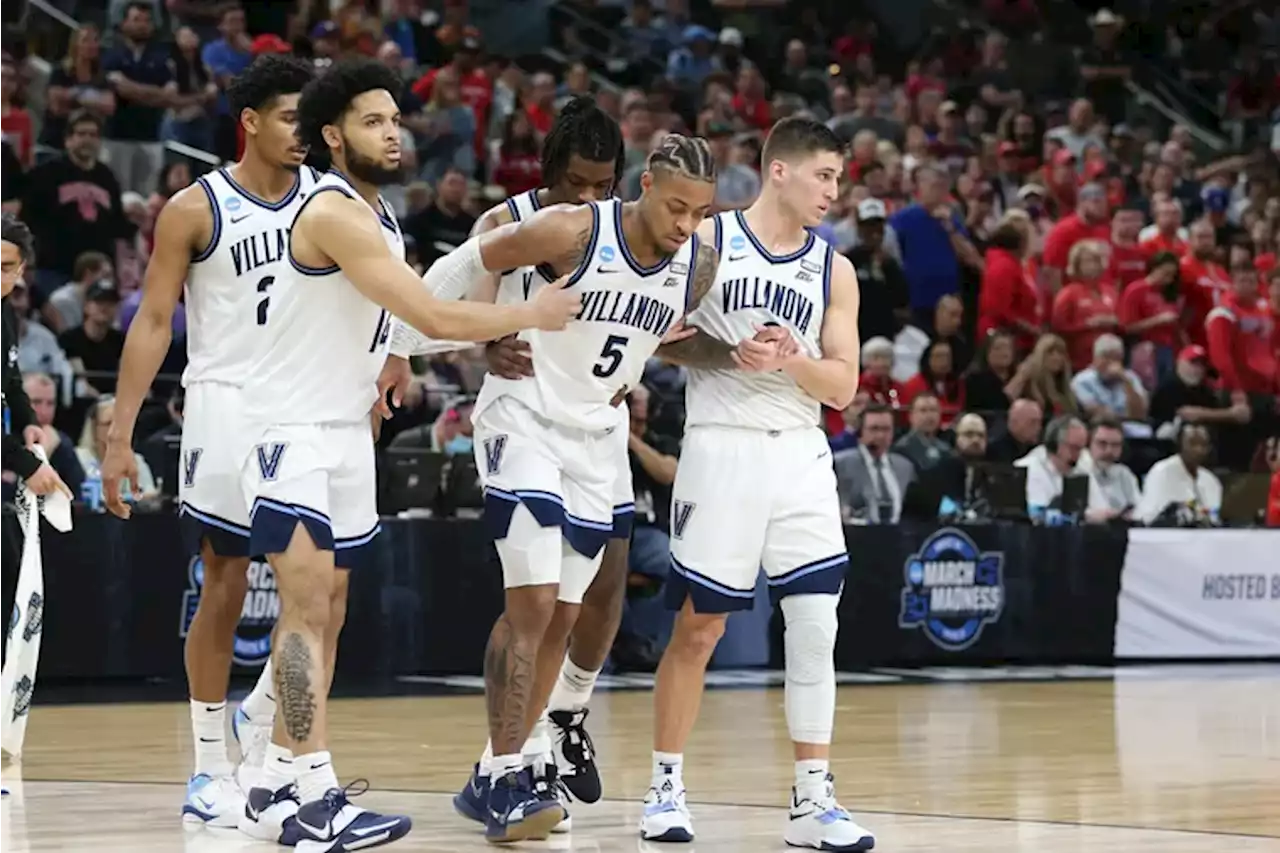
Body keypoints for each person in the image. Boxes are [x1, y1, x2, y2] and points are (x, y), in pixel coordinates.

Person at [233, 58, 579, 852]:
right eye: (372, 121)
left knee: (333, 613)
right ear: (331, 135)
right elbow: (423, 305)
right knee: (305, 608)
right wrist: (529, 312)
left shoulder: (379, 218)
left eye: (395, 119)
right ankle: (307, 785)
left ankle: (273, 777)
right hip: (287, 427)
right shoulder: (331, 211)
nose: (392, 132)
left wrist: (417, 342)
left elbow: (403, 324)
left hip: (347, 430)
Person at [99, 54, 319, 836]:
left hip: (306, 405)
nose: (305, 133)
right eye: (292, 116)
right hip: (225, 402)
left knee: (320, 587)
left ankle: (264, 722)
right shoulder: (195, 208)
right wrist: (120, 432)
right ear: (251, 121)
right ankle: (206, 765)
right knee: (224, 578)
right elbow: (154, 322)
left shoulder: (329, 201)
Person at [643, 118, 875, 851]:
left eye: (838, 179)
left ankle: (813, 801)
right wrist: (729, 353)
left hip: (801, 453)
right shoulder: (709, 242)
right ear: (780, 171)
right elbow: (658, 332)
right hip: (723, 446)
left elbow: (841, 385)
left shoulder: (833, 268)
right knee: (700, 626)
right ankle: (665, 787)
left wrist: (788, 361)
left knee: (815, 627)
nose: (834, 192)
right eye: (825, 176)